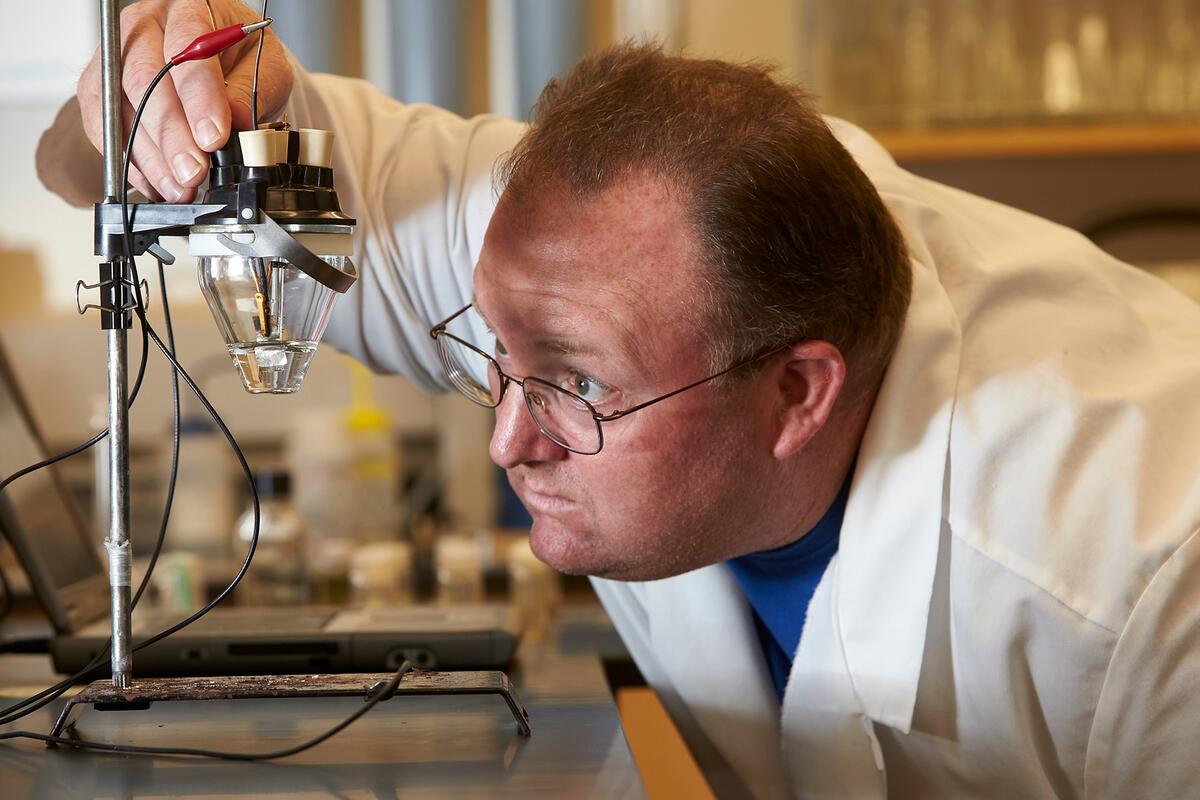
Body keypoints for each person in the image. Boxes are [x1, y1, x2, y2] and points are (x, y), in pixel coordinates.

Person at [42, 2, 1200, 797]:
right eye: (494, 345)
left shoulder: (1141, 572)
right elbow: (86, 166)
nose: (505, 433)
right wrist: (151, 90)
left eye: (578, 384)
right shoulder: (584, 255)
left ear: (798, 392)